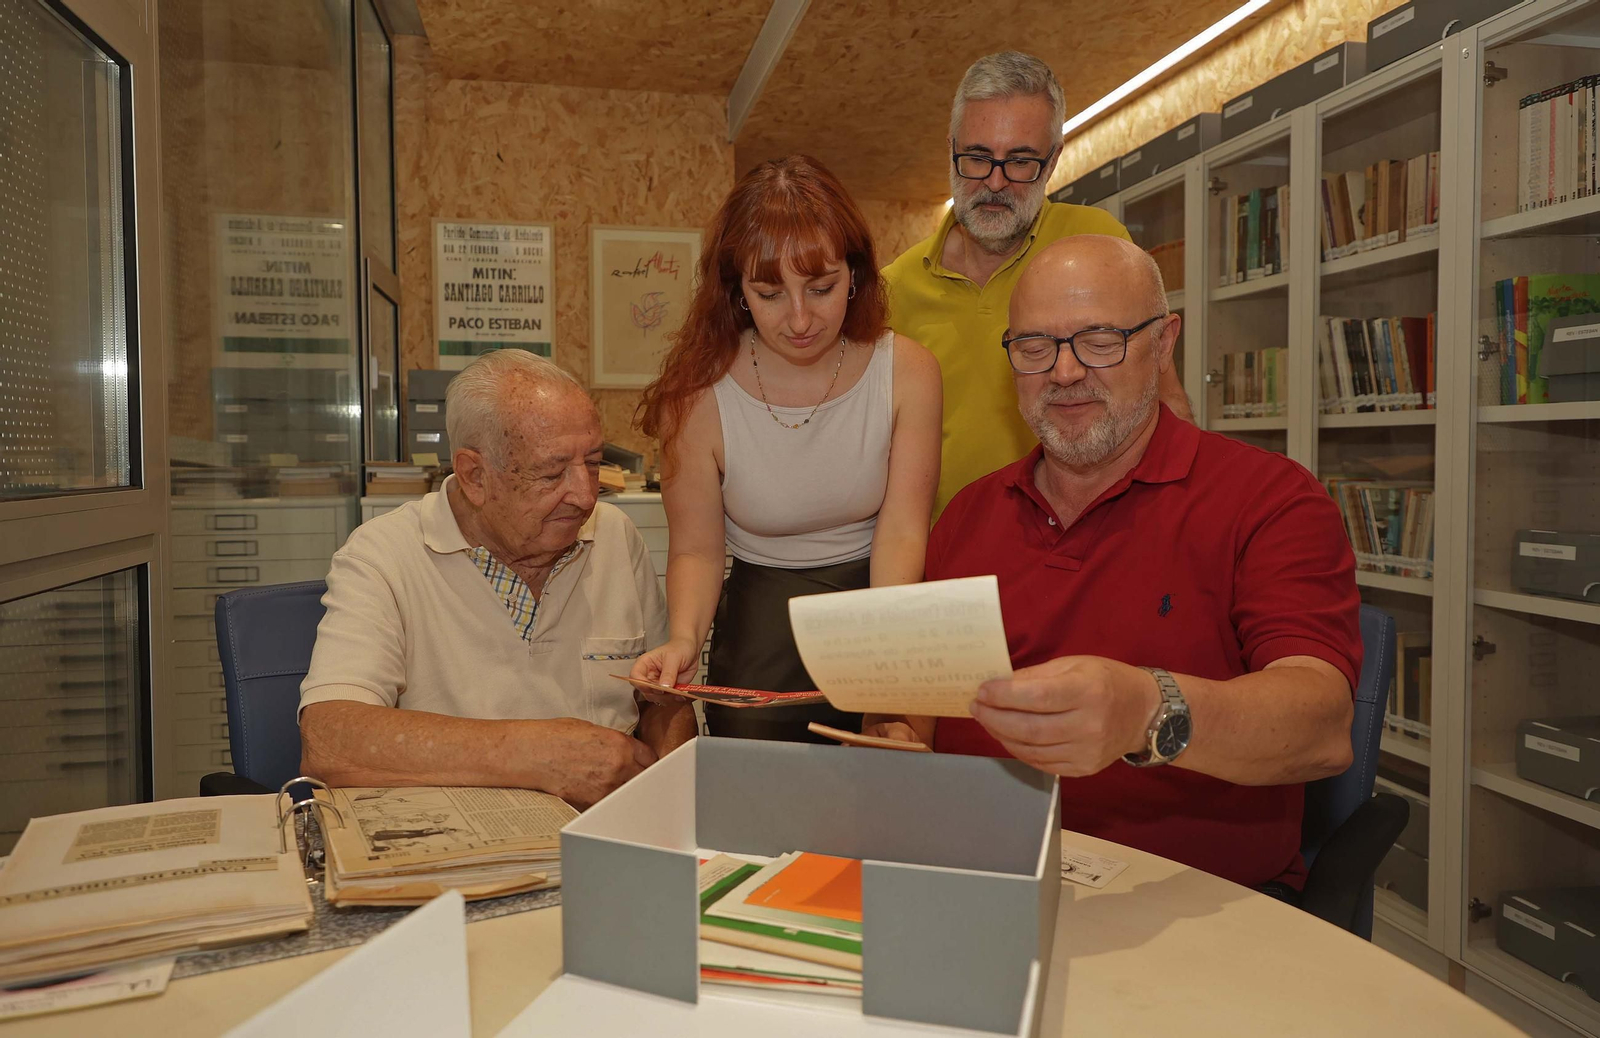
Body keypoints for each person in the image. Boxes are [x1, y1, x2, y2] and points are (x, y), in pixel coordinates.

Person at [868, 235, 1360, 893]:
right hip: (986, 882)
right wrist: (893, 740)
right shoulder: (967, 515)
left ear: (1163, 344)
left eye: (1099, 340)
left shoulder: (1268, 500)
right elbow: (910, 712)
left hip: (1197, 907)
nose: (1065, 373)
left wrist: (1146, 711)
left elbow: (1322, 727)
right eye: (1035, 347)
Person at [631, 155, 942, 743]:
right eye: (770, 293)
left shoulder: (908, 374)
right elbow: (697, 549)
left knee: (877, 801)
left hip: (879, 599)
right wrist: (683, 640)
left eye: (821, 288)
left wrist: (886, 659)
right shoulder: (697, 398)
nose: (800, 319)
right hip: (760, 620)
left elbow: (903, 531)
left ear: (856, 275)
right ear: (738, 292)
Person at [298, 350, 694, 808]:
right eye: (551, 473)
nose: (585, 497)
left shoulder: (615, 537)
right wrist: (539, 754)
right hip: (456, 842)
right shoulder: (383, 556)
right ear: (474, 476)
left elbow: (664, 702)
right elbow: (329, 741)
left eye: (592, 463)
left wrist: (666, 798)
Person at [883, 50, 1191, 518]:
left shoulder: (1098, 242)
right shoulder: (893, 289)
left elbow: (1164, 399)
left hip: (1095, 537)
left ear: (1053, 160)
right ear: (950, 149)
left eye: (1021, 161)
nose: (995, 181)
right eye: (977, 157)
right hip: (948, 559)